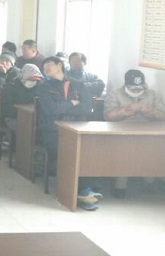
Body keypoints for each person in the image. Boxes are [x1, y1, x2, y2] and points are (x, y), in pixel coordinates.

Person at [104, 69, 165, 198]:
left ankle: (149, 182)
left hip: (148, 133)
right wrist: (124, 112)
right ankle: (120, 186)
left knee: (152, 152)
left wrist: (148, 111)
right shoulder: (115, 93)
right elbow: (108, 116)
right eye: (134, 89)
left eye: (139, 88)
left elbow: (162, 115)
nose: (137, 92)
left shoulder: (152, 94)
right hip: (122, 132)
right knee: (124, 153)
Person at [36, 56, 92, 172]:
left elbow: (87, 108)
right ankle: (66, 177)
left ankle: (82, 180)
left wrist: (62, 107)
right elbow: (50, 109)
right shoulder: (44, 87)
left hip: (77, 127)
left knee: (89, 149)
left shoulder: (78, 85)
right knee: (67, 149)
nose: (46, 69)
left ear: (60, 65)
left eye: (49, 65)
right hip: (54, 129)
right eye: (44, 68)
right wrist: (71, 103)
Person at [0, 63, 42, 129]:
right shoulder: (11, 87)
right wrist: (23, 112)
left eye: (35, 80)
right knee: (27, 127)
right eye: (30, 79)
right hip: (12, 117)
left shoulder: (40, 86)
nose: (33, 81)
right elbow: (6, 108)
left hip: (32, 117)